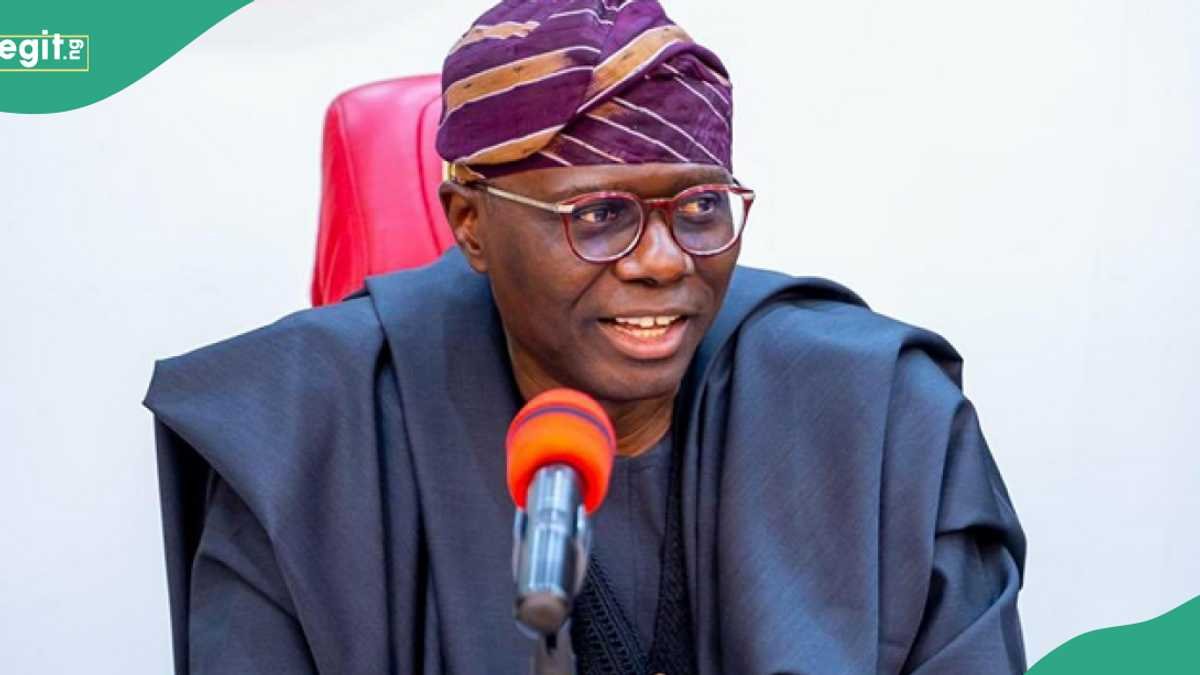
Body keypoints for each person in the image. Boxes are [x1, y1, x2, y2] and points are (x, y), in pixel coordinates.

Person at [144, 1, 1027, 673]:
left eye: (700, 207)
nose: (662, 261)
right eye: (599, 215)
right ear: (470, 223)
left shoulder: (885, 422)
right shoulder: (302, 445)